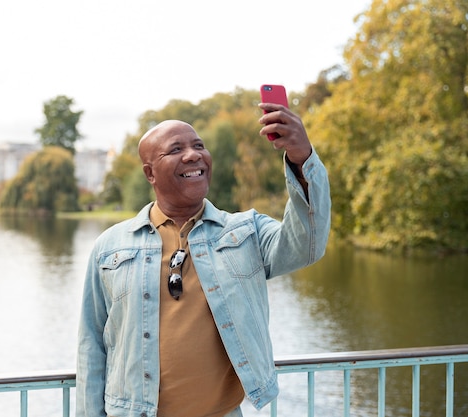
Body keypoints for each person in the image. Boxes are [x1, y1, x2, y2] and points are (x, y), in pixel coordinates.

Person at [76, 102, 331, 417]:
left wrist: (301, 158)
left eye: (199, 145)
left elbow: (307, 245)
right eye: (176, 149)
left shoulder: (246, 231)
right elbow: (92, 348)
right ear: (149, 172)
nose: (193, 154)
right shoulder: (110, 247)